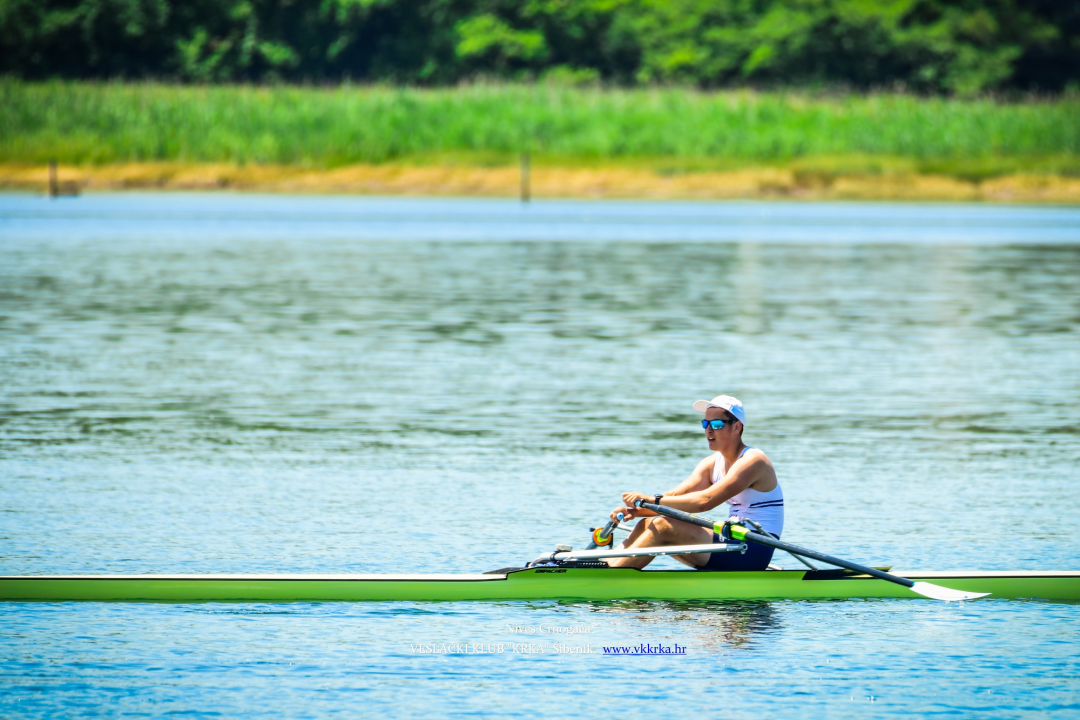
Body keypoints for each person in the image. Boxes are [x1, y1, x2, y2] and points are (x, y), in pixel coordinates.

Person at [606, 395, 783, 570]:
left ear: (737, 427)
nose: (709, 430)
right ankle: (605, 567)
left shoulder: (754, 460)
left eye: (716, 424)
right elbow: (674, 497)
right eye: (705, 424)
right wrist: (636, 511)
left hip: (754, 549)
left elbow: (705, 501)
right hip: (735, 541)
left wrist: (651, 501)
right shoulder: (711, 464)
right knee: (646, 523)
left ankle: (608, 581)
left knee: (663, 526)